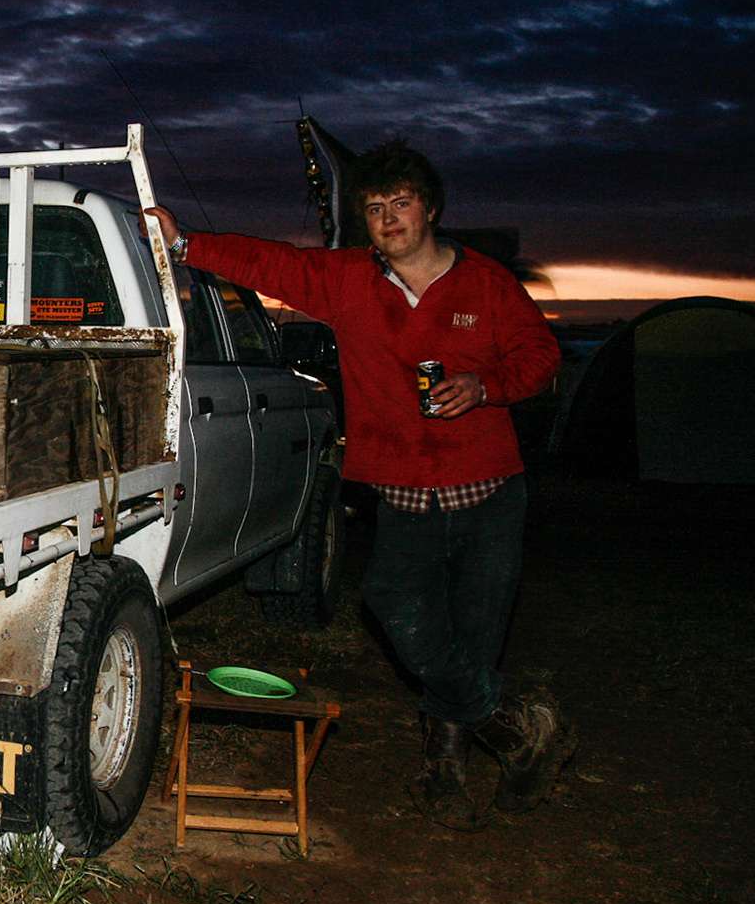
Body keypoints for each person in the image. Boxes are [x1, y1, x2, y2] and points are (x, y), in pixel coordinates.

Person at [142, 139, 573, 829]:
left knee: (473, 635)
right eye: (373, 208)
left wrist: (485, 385)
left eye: (400, 202)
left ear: (430, 208)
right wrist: (187, 242)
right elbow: (274, 263)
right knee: (396, 604)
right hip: (404, 491)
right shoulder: (350, 281)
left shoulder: (485, 283)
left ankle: (444, 773)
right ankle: (517, 728)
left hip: (487, 490)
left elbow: (541, 357)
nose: (387, 217)